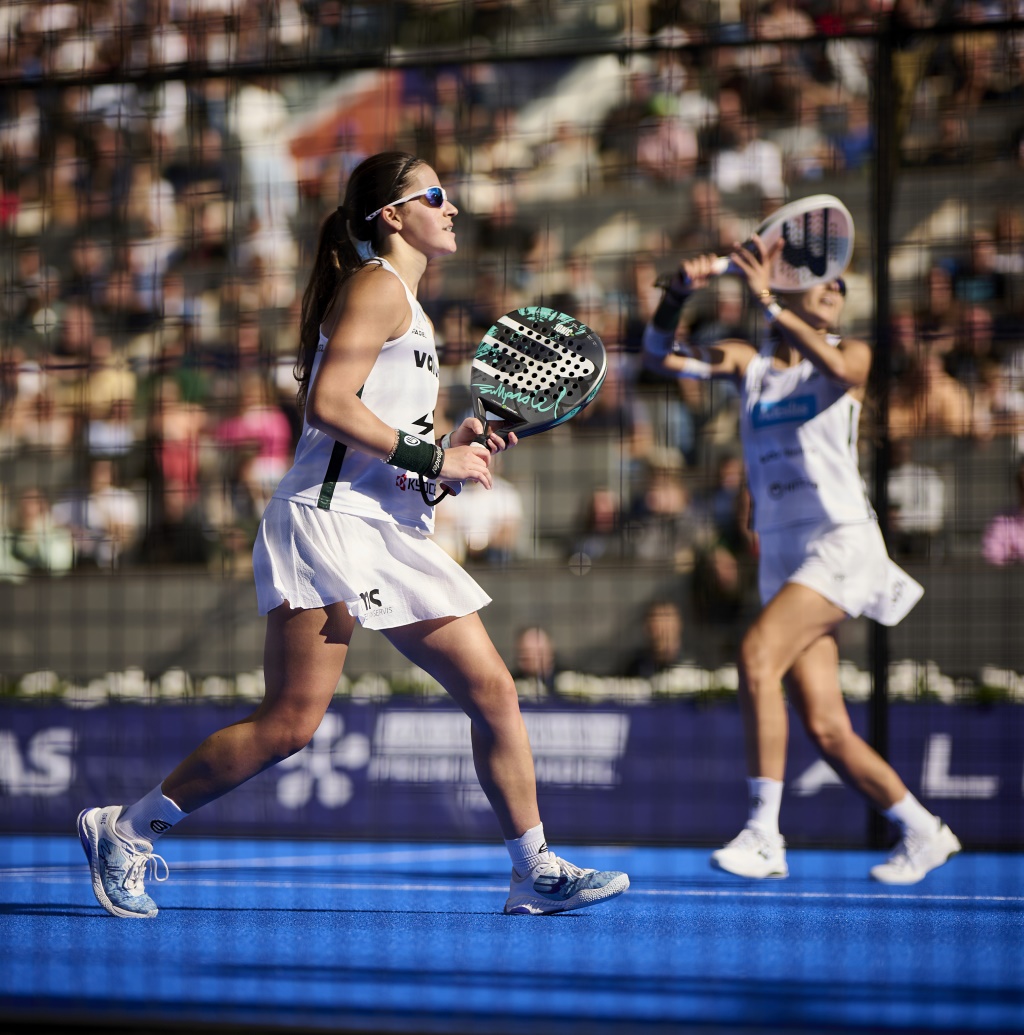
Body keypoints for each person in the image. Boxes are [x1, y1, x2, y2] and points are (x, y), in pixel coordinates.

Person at [77, 151, 628, 920]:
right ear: (392, 216)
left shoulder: (411, 306)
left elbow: (385, 442)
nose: (453, 206)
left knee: (495, 690)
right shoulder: (375, 288)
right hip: (325, 525)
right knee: (289, 725)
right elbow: (328, 407)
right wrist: (437, 452)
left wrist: (444, 459)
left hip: (387, 531)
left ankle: (532, 870)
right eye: (435, 194)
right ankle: (125, 830)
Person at [642, 237, 960, 885]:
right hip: (783, 557)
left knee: (756, 655)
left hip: (841, 542)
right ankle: (924, 830)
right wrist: (677, 293)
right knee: (826, 725)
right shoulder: (747, 365)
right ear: (788, 288)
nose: (836, 289)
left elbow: (843, 374)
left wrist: (762, 302)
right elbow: (656, 355)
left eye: (840, 285)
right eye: (823, 281)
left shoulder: (850, 356)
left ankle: (764, 833)